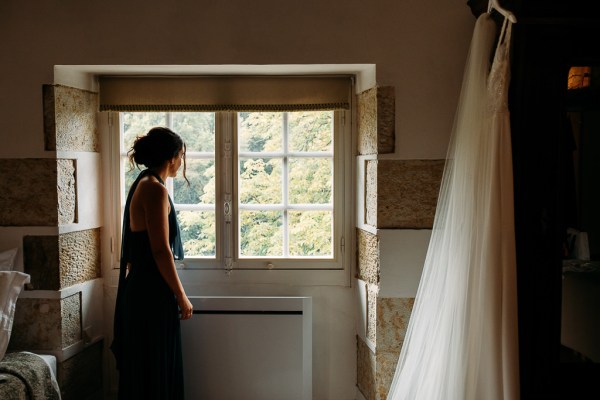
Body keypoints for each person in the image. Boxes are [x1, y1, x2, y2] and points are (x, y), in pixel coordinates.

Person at [111, 127, 193, 400]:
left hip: (143, 289)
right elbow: (160, 250)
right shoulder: (154, 189)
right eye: (181, 155)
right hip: (150, 292)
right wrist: (181, 296)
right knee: (154, 366)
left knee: (147, 367)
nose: (181, 162)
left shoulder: (144, 183)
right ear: (172, 157)